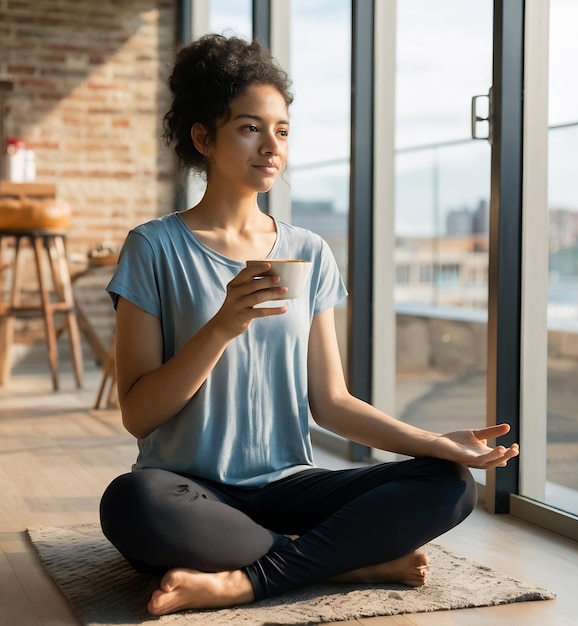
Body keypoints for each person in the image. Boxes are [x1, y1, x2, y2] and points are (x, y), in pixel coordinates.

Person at [99, 33, 519, 617]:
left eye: (283, 130)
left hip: (290, 488)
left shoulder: (309, 252)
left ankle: (246, 579)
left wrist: (436, 442)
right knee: (131, 503)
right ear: (203, 137)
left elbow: (332, 401)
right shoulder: (153, 247)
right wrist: (221, 326)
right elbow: (138, 413)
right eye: (250, 127)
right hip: (191, 491)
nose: (272, 145)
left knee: (448, 485)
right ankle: (345, 561)